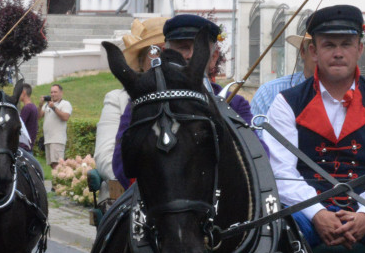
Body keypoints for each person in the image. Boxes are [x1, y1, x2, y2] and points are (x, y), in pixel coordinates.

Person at [264, 5, 365, 250]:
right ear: (313, 51)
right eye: (329, 45)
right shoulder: (286, 102)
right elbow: (280, 173)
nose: (338, 53)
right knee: (277, 239)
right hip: (305, 211)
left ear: (360, 49)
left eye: (346, 44)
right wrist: (317, 213)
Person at [112, 14, 253, 188]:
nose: (190, 56)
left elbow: (255, 158)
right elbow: (122, 164)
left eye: (199, 49)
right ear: (165, 55)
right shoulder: (144, 102)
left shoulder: (236, 104)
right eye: (183, 47)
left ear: (214, 57)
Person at [94, 17, 165, 203]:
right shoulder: (118, 99)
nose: (162, 59)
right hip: (131, 193)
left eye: (169, 51)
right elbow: (105, 157)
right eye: (156, 51)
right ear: (141, 61)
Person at [248, 31, 316, 139]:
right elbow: (255, 145)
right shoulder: (268, 93)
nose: (327, 56)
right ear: (303, 52)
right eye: (317, 50)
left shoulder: (349, 93)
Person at [39, 83, 72, 169]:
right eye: (51, 92)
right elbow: (38, 117)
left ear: (61, 93)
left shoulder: (65, 104)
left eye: (55, 92)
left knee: (57, 165)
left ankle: (59, 181)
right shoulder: (47, 104)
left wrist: (53, 108)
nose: (53, 94)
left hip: (57, 139)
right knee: (52, 165)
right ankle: (57, 181)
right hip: (48, 139)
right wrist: (40, 104)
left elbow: (65, 117)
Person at [18, 84, 38, 153]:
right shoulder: (33, 107)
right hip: (29, 145)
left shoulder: (27, 108)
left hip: (24, 146)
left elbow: (19, 125)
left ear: (23, 92)